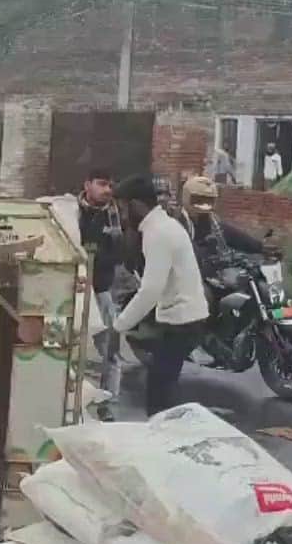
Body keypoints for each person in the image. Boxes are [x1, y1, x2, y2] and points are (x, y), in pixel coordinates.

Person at [111, 174, 209, 417]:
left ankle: (171, 437)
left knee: (160, 390)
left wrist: (119, 324)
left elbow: (151, 290)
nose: (122, 215)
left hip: (182, 319)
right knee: (163, 382)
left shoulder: (158, 234)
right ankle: (172, 434)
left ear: (136, 205)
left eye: (123, 208)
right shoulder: (163, 226)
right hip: (185, 315)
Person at [76, 169, 125, 419]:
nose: (107, 189)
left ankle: (108, 405)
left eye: (110, 185)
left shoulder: (116, 216)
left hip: (102, 291)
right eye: (102, 184)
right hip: (74, 289)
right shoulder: (72, 211)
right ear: (87, 184)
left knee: (110, 350)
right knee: (70, 348)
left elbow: (121, 252)